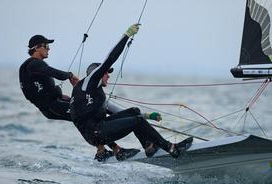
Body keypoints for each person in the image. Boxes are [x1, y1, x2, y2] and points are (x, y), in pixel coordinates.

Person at [70, 24, 193, 161]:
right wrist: (126, 35)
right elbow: (110, 58)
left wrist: (148, 115)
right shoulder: (89, 81)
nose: (108, 76)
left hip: (97, 130)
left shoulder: (92, 92)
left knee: (134, 111)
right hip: (96, 133)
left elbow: (116, 111)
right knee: (137, 121)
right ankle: (171, 148)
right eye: (106, 73)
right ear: (96, 74)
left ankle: (149, 145)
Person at [19, 35, 79, 121]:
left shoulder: (29, 66)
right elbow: (57, 74)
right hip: (54, 106)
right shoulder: (34, 64)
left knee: (83, 117)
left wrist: (59, 96)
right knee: (85, 112)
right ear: (36, 47)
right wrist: (70, 75)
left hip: (50, 108)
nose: (49, 49)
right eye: (46, 46)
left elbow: (39, 89)